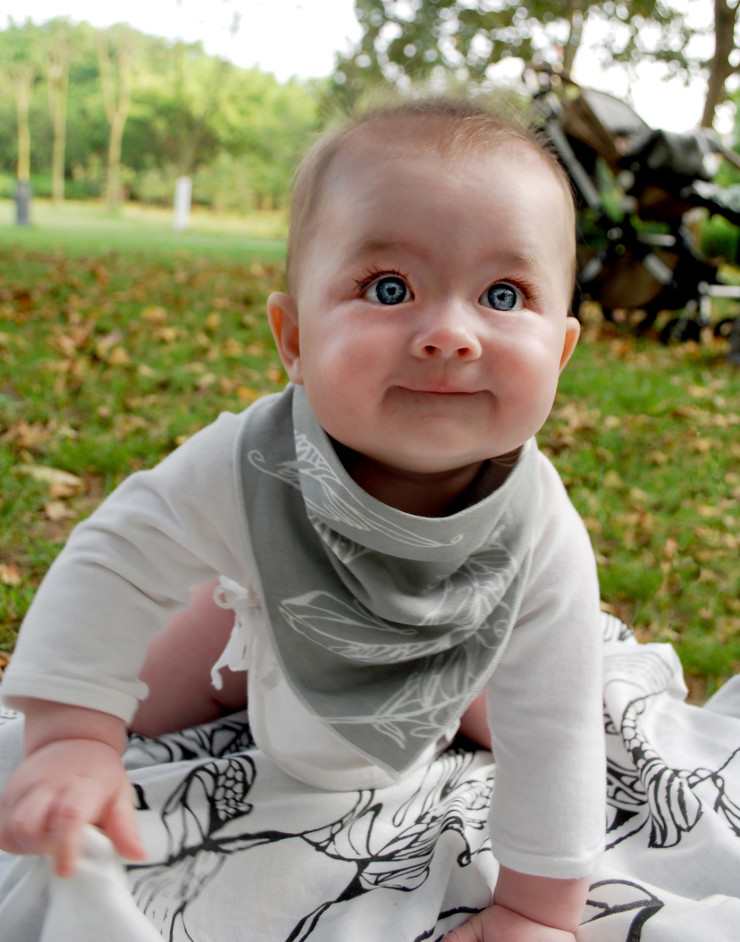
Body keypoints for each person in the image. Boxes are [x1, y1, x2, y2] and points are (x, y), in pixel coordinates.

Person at [0, 97, 605, 941]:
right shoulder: (250, 461)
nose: (450, 333)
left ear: (563, 352)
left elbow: (561, 722)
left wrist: (539, 910)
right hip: (259, 625)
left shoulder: (537, 528)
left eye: (503, 293)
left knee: (528, 706)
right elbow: (117, 558)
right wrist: (73, 734)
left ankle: (455, 682)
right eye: (389, 288)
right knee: (140, 697)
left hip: (451, 650)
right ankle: (236, 650)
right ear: (293, 338)